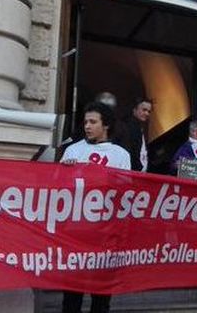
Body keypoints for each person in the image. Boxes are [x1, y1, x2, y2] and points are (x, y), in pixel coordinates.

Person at [60, 102, 131, 313]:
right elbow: (58, 192)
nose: (87, 126)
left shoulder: (121, 155)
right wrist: (64, 172)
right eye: (85, 122)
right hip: (75, 231)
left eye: (93, 122)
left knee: (101, 294)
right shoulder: (73, 150)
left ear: (105, 125)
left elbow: (125, 194)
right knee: (72, 291)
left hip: (105, 233)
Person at [120, 97, 152, 172]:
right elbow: (131, 152)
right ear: (134, 110)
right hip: (132, 172)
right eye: (144, 110)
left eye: (149, 111)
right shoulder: (130, 127)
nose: (147, 113)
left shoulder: (139, 127)